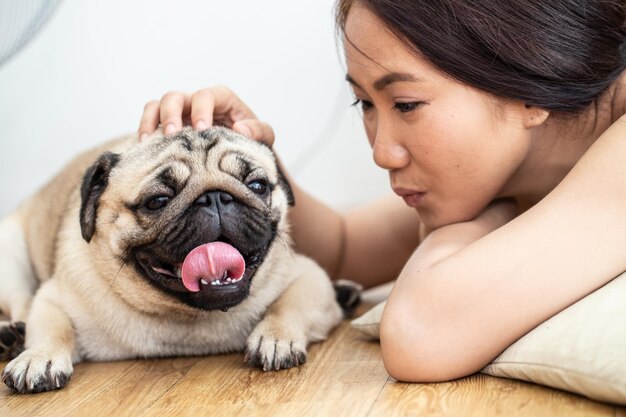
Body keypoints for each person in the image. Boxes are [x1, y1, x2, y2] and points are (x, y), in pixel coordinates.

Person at [136, 0, 626, 382]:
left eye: (407, 103)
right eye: (364, 103)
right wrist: (254, 166)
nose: (382, 152)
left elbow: (420, 332)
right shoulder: (519, 169)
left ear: (531, 82)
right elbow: (344, 249)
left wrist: (477, 222)